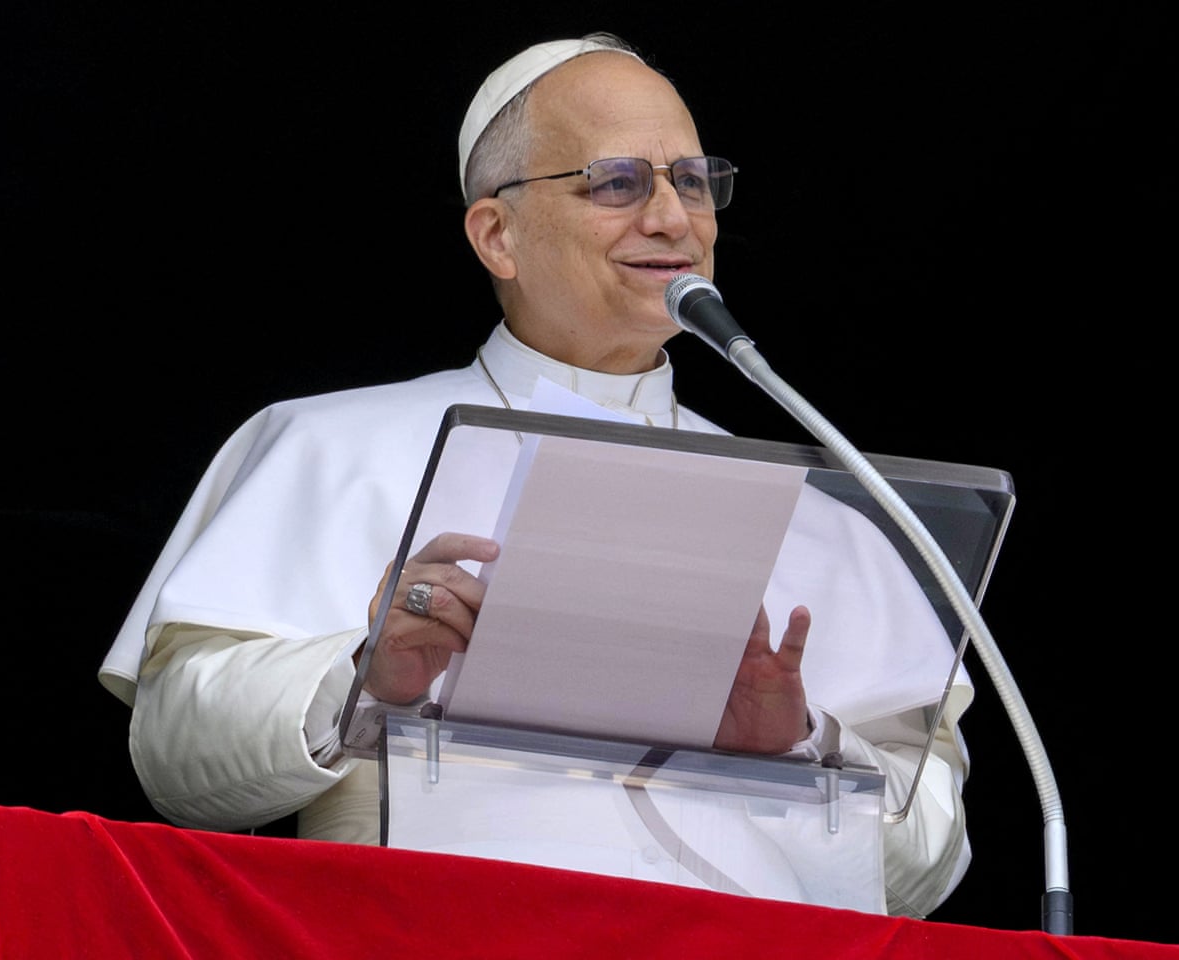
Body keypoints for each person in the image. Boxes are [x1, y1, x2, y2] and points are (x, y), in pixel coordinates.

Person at [99, 32, 974, 917]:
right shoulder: (331, 447)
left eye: (694, 181)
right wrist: (365, 676)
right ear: (498, 234)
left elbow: (924, 873)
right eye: (620, 182)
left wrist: (796, 749)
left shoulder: (831, 522)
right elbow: (177, 761)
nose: (674, 219)